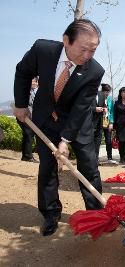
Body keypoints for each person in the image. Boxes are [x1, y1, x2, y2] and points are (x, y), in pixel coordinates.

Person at [13, 19, 104, 236]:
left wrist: (65, 140)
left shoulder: (94, 71)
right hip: (45, 119)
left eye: (93, 50)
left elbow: (82, 108)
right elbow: (22, 71)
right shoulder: (42, 50)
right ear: (66, 41)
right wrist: (21, 104)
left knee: (89, 167)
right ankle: (51, 213)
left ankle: (97, 214)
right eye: (83, 49)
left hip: (76, 123)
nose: (87, 56)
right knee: (47, 168)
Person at [16, 77, 39, 163]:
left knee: (28, 135)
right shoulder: (26, 91)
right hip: (24, 116)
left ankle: (26, 155)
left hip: (31, 117)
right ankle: (27, 156)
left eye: (34, 82)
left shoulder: (37, 91)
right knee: (28, 134)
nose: (33, 83)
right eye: (31, 81)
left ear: (37, 83)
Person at [113, 87, 125, 164]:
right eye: (122, 92)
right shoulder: (117, 103)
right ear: (120, 94)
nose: (124, 93)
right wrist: (114, 125)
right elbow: (115, 114)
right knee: (121, 142)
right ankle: (122, 157)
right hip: (120, 125)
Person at [100, 83, 116, 164]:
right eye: (105, 91)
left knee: (108, 140)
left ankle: (109, 157)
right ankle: (95, 158)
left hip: (107, 121)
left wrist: (111, 122)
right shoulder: (98, 97)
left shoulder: (110, 99)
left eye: (108, 92)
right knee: (97, 140)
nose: (106, 93)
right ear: (102, 91)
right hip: (99, 122)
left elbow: (112, 112)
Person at [92, 85, 107, 163]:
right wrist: (94, 109)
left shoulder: (101, 94)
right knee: (89, 142)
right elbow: (82, 107)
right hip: (89, 123)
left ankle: (96, 160)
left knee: (97, 142)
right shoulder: (87, 92)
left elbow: (104, 105)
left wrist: (105, 109)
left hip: (99, 122)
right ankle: (90, 160)